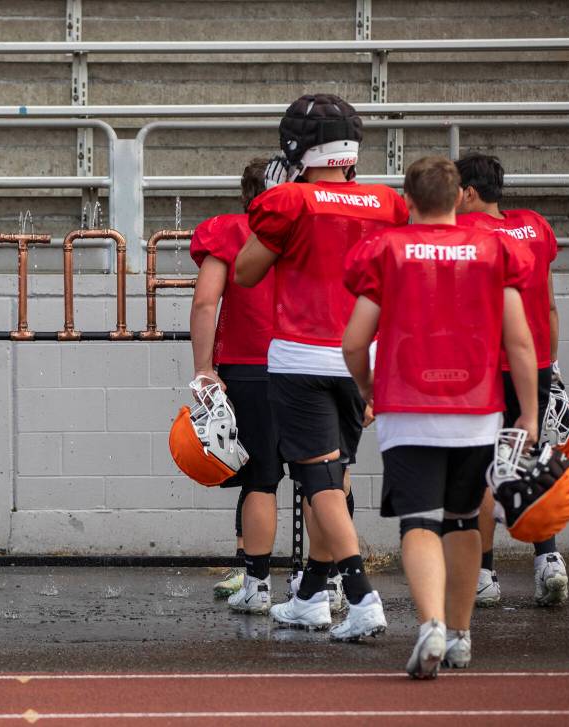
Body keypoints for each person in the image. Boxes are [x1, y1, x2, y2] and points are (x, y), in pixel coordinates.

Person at [343, 155, 538, 677]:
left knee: (420, 523)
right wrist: (531, 413)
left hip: (408, 406)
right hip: (477, 408)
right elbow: (520, 341)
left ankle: (428, 624)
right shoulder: (497, 248)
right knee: (463, 520)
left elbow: (355, 341)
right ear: (458, 198)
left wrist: (367, 388)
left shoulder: (386, 250)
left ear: (408, 201)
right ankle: (460, 634)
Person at [235, 93, 408, 640]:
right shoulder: (387, 203)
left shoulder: (288, 202)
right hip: (365, 351)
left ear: (296, 147)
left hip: (303, 353)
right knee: (333, 473)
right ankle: (311, 593)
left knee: (320, 480)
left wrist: (279, 198)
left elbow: (245, 272)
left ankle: (360, 596)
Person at [455, 153, 567, 607]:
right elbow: (553, 305)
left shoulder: (465, 232)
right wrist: (553, 365)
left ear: (468, 192)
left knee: (484, 469)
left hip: (487, 365)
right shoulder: (535, 226)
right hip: (536, 361)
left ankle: (483, 572)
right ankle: (549, 559)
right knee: (532, 458)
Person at [189, 157, 285, 613]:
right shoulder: (317, 225)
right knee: (326, 480)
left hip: (250, 365)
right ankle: (329, 583)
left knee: (261, 480)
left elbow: (206, 302)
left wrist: (204, 367)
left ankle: (257, 582)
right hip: (317, 360)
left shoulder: (228, 230)